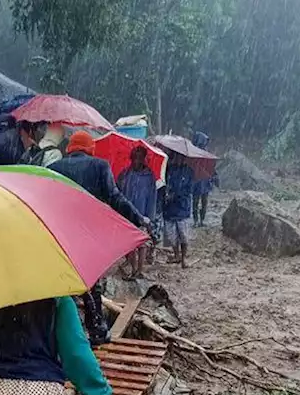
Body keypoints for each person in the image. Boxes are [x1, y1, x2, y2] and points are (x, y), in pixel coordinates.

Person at [49, 132, 149, 345]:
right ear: (89, 149)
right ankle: (96, 330)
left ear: (70, 149)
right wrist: (138, 218)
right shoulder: (99, 166)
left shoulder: (54, 169)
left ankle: (63, 334)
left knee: (65, 286)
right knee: (91, 283)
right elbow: (115, 197)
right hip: (88, 236)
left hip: (62, 236)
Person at [117, 145, 158, 278]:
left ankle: (140, 270)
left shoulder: (149, 176)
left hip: (143, 214)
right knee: (130, 244)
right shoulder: (125, 174)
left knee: (142, 243)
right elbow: (119, 193)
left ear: (144, 159)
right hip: (128, 214)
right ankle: (134, 269)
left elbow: (152, 197)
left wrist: (150, 217)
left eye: (139, 158)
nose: (136, 161)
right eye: (134, 158)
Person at [162, 153, 195, 268]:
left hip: (182, 208)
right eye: (177, 156)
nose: (179, 159)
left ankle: (184, 258)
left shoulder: (189, 172)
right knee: (171, 235)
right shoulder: (168, 170)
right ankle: (176, 255)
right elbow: (164, 183)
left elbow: (189, 190)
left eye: (182, 157)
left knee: (183, 235)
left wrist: (175, 195)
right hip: (169, 208)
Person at [190, 131, 216, 228]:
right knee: (196, 201)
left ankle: (201, 220)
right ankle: (196, 220)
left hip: (204, 180)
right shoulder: (193, 153)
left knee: (203, 201)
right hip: (197, 180)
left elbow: (211, 166)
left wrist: (214, 176)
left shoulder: (206, 153)